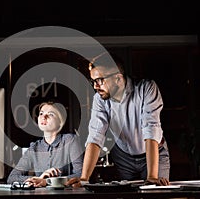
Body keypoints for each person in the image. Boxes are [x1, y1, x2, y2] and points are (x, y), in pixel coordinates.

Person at [67, 53, 170, 187]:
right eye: (93, 81)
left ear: (118, 78)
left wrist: (152, 176)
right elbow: (95, 136)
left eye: (100, 80)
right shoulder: (99, 99)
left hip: (154, 152)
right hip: (123, 157)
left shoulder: (146, 88)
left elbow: (151, 130)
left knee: (156, 190)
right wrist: (84, 178)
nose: (95, 86)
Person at [7, 101, 84, 187]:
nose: (44, 117)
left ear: (60, 121)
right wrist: (39, 178)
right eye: (41, 113)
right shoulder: (34, 148)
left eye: (50, 114)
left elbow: (81, 174)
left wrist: (47, 181)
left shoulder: (70, 140)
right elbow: (12, 178)